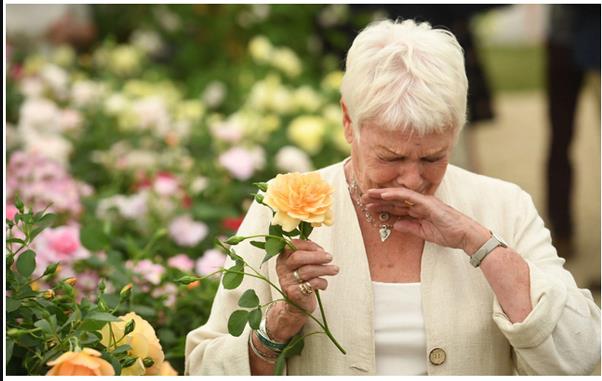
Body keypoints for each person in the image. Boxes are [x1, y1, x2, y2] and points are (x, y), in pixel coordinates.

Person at [185, 19, 600, 375]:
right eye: (392, 156)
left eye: (434, 157)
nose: (412, 179)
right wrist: (278, 324)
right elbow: (203, 366)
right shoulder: (284, 207)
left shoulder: (504, 205)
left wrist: (481, 244)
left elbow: (579, 356)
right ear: (349, 123)